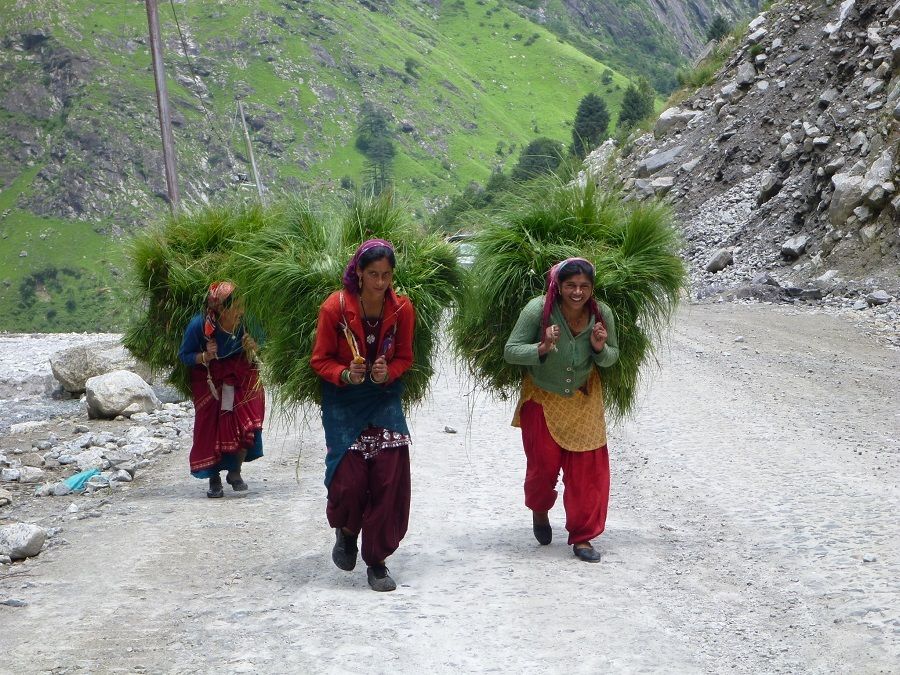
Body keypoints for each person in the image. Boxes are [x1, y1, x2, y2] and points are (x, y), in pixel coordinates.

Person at [310, 239, 416, 592]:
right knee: (350, 480)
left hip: (384, 397)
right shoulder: (334, 308)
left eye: (386, 275)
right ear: (358, 272)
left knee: (389, 477)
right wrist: (344, 373)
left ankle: (378, 561)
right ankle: (347, 530)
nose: (380, 283)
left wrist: (390, 372)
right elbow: (320, 359)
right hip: (343, 400)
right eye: (373, 275)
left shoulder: (402, 310)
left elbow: (405, 357)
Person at [503, 258, 619, 562]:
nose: (577, 292)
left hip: (585, 399)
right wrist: (541, 348)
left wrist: (599, 348)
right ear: (558, 286)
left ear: (592, 288)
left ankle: (583, 537)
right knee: (542, 470)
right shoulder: (537, 310)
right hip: (542, 397)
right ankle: (540, 510)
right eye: (571, 286)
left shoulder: (601, 314)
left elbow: (611, 358)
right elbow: (511, 350)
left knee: (588, 472)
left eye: (584, 286)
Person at [178, 281, 265, 498]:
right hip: (212, 378)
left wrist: (254, 346)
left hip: (242, 373)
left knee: (248, 421)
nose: (242, 311)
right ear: (221, 308)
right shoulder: (200, 326)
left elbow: (264, 346)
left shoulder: (247, 322)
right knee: (213, 426)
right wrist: (205, 356)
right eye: (237, 307)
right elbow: (185, 356)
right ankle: (213, 477)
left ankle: (235, 471)